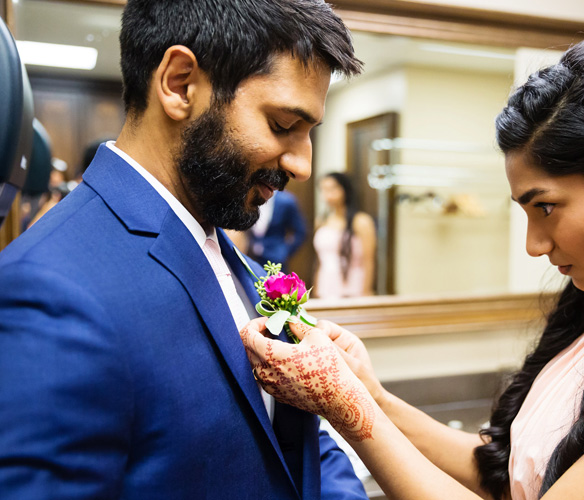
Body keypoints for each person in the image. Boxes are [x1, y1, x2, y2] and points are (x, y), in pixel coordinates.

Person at [241, 30, 584, 500]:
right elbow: (507, 473)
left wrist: (348, 410)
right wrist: (369, 395)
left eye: (545, 206)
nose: (533, 245)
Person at [0, 1, 366, 498]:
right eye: (283, 125)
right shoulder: (47, 291)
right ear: (179, 85)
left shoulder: (242, 264)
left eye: (309, 132)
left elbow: (301, 446)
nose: (303, 164)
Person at [313, 172, 376, 298]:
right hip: (325, 284)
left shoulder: (361, 221)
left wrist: (366, 291)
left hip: (353, 286)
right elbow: (319, 261)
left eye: (332, 188)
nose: (328, 194)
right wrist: (315, 287)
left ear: (345, 190)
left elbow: (368, 260)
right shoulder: (322, 220)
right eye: (324, 190)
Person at [248, 190, 308, 269]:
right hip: (251, 257)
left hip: (275, 259)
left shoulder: (286, 201)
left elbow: (300, 231)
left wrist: (283, 251)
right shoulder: (251, 196)